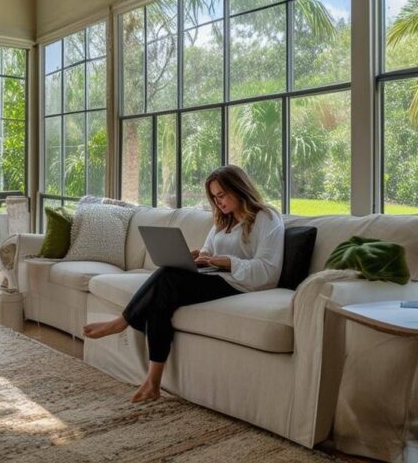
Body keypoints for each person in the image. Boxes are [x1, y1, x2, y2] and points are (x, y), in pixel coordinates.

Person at [82, 165, 284, 402]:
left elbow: (268, 271)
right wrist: (199, 257)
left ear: (238, 189)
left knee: (167, 278)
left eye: (221, 195)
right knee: (161, 300)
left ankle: (121, 322)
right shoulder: (223, 221)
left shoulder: (266, 217)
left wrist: (226, 262)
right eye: (214, 198)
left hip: (241, 284)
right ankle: (152, 383)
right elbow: (210, 250)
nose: (218, 203)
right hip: (214, 274)